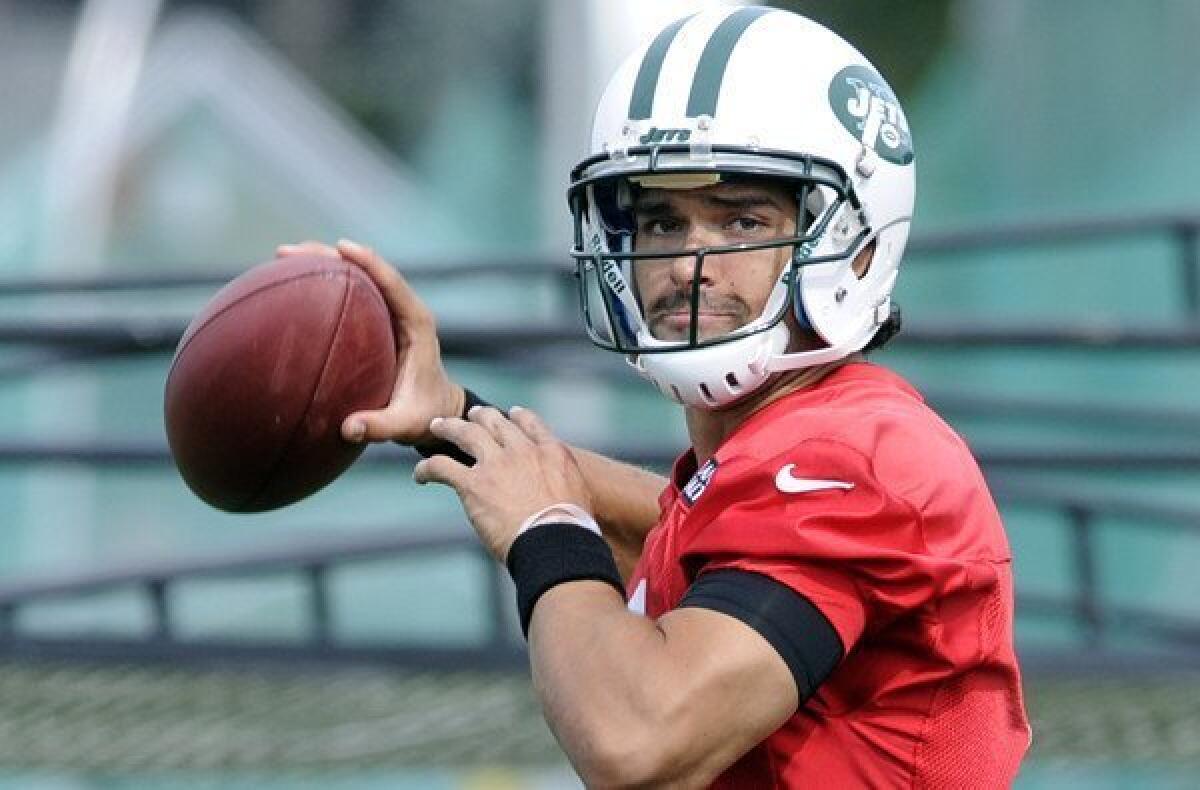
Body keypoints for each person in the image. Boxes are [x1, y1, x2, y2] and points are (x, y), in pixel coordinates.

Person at [280, 6, 1030, 787]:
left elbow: (638, 739)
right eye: (663, 223)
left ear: (857, 244)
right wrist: (450, 415)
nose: (687, 264)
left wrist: (546, 530)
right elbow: (687, 530)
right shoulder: (774, 454)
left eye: (742, 220)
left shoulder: (855, 458)